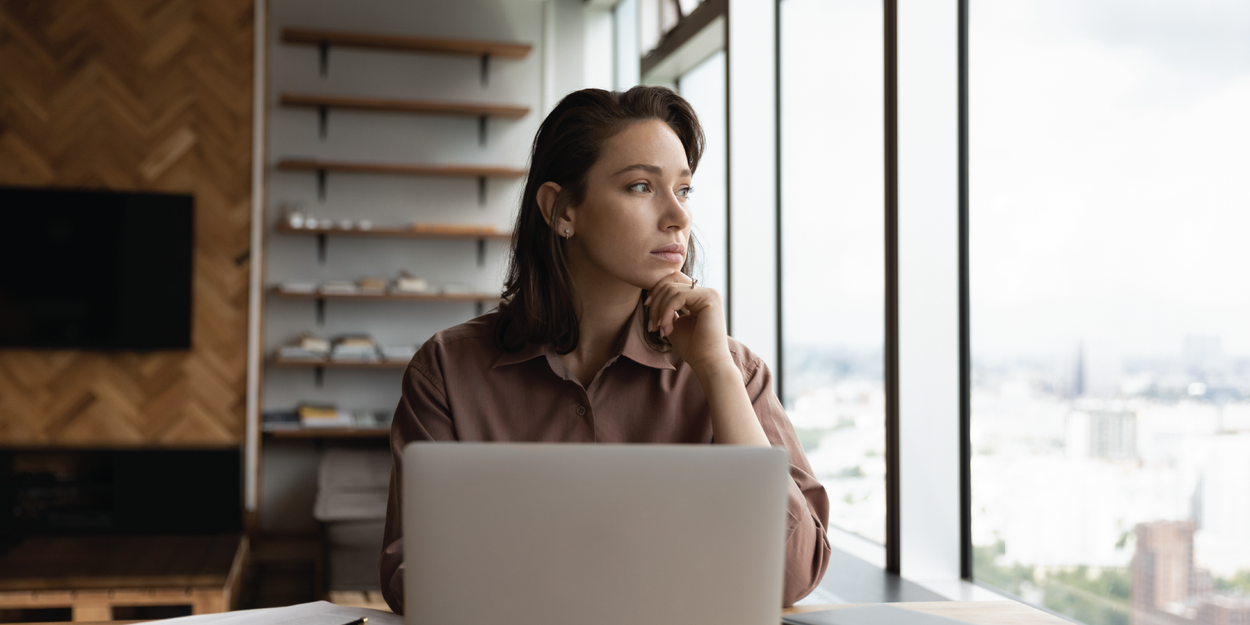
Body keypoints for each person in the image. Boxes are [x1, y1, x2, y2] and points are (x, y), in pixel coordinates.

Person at [379, 86, 830, 612]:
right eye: (642, 186)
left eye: (683, 191)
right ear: (561, 210)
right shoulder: (447, 370)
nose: (678, 218)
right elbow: (409, 573)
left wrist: (714, 370)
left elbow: (794, 574)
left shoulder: (734, 370)